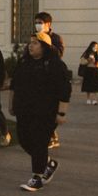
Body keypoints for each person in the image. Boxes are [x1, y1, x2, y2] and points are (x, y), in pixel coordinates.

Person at [9, 32, 71, 192]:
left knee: (39, 142)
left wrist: (62, 113)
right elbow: (14, 85)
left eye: (36, 43)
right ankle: (48, 163)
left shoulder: (54, 65)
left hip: (46, 112)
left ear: (45, 46)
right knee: (24, 139)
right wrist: (11, 104)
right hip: (25, 109)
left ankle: (36, 178)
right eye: (30, 43)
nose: (31, 46)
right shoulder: (24, 62)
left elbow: (64, 90)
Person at [35, 12, 65, 149]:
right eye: (36, 22)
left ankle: (51, 135)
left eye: (40, 22)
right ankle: (48, 134)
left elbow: (58, 54)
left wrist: (46, 41)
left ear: (48, 24)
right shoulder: (34, 37)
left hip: (50, 77)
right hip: (37, 76)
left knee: (49, 109)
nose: (38, 25)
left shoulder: (56, 38)